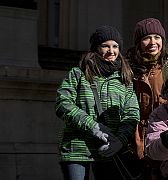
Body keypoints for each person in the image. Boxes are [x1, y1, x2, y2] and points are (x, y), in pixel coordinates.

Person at [55, 25, 140, 180]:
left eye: (115, 46)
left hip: (109, 151)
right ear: (95, 48)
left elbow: (132, 113)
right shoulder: (78, 73)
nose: (111, 51)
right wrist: (93, 126)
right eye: (105, 46)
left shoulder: (125, 79)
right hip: (78, 150)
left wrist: (119, 141)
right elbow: (62, 103)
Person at [125, 17, 168, 179]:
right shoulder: (129, 69)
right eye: (147, 38)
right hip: (138, 137)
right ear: (139, 42)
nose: (153, 42)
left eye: (157, 37)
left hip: (166, 134)